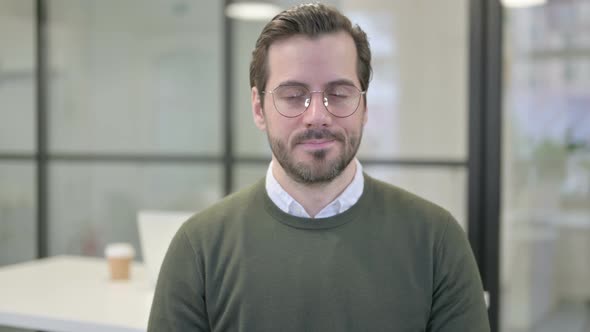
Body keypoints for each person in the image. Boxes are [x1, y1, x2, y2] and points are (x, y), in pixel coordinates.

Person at [147, 3, 490, 331]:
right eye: (293, 95)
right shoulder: (200, 248)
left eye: (339, 93)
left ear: (364, 106)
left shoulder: (436, 240)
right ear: (258, 108)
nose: (317, 115)